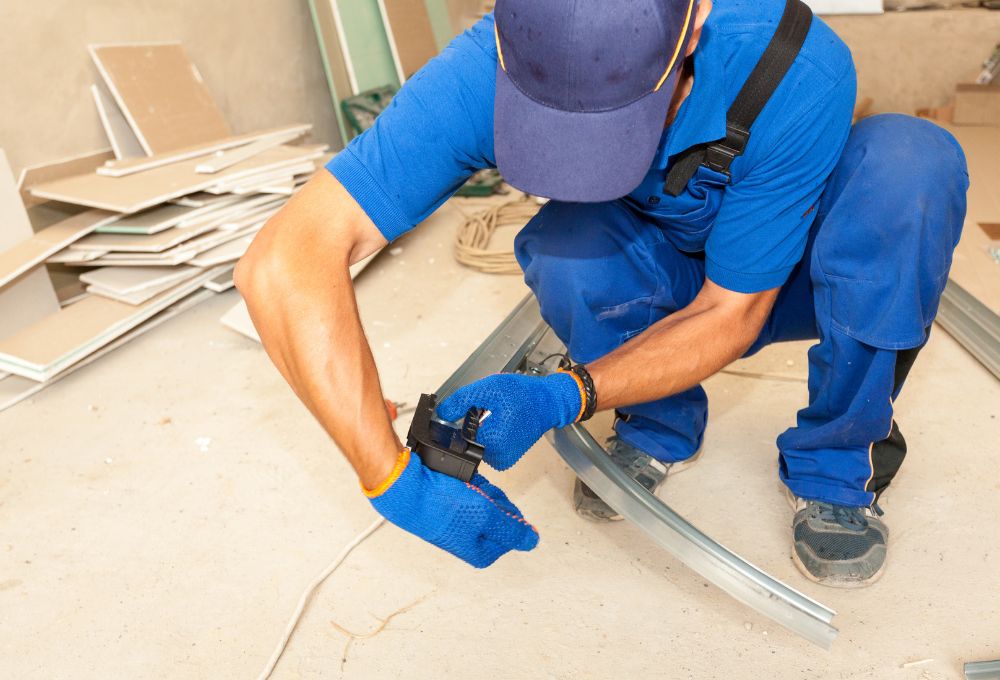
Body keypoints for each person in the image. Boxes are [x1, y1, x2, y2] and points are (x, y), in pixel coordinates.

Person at [235, 0, 968, 587]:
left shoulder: (793, 64)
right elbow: (284, 262)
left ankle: (836, 465)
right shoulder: (492, 62)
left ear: (693, 24)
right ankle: (655, 427)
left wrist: (567, 394)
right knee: (567, 245)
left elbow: (733, 310)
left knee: (910, 166)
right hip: (663, 261)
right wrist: (389, 477)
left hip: (787, 277)